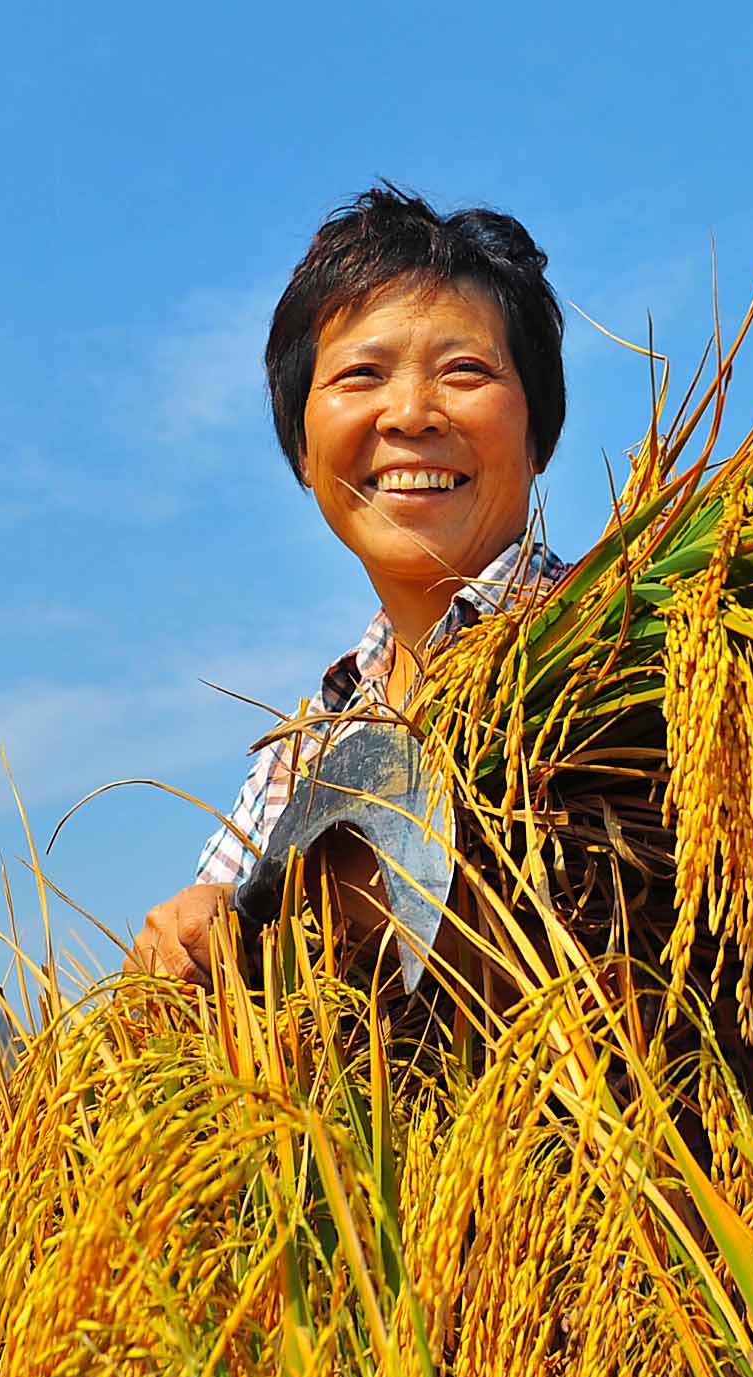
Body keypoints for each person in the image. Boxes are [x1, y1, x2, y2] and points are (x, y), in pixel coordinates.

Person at [127, 185, 572, 985]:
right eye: (360, 374)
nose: (409, 413)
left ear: (539, 430)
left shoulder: (636, 650)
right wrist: (180, 956)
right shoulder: (294, 761)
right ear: (303, 451)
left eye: (464, 370)